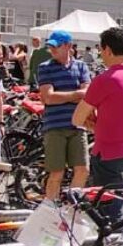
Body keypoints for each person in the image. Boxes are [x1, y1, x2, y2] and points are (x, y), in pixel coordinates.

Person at [73, 26, 123, 190]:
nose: (101, 54)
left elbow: (77, 118)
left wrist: (92, 123)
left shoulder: (104, 80)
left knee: (108, 209)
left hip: (109, 152)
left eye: (101, 50)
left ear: (107, 50)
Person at [37, 29, 91, 198]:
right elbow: (48, 97)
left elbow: (87, 94)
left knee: (83, 170)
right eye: (51, 47)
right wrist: (75, 95)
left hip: (78, 124)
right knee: (56, 173)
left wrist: (62, 96)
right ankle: (50, 209)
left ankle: (71, 206)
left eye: (56, 46)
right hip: (55, 126)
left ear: (68, 46)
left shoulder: (81, 66)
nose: (52, 50)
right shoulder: (45, 68)